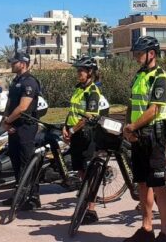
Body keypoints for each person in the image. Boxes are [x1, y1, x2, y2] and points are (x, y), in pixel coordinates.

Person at [122, 36, 166, 242]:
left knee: (158, 185)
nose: (136, 57)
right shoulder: (139, 76)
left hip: (154, 137)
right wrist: (128, 128)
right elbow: (132, 105)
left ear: (151, 54)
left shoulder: (160, 78)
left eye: (139, 54)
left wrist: (133, 126)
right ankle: (146, 228)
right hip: (138, 137)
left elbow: (153, 110)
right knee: (143, 183)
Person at [62, 56, 107, 225]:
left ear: (90, 72)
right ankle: (83, 200)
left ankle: (92, 210)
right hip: (75, 135)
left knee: (90, 174)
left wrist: (73, 130)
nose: (78, 73)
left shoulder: (93, 92)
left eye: (81, 70)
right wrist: (65, 127)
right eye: (77, 70)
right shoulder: (78, 89)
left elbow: (89, 117)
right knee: (80, 171)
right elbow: (73, 111)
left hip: (87, 136)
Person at [0, 52, 42, 209]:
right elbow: (10, 104)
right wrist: (6, 122)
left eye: (14, 62)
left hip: (26, 127)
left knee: (27, 162)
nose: (12, 64)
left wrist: (9, 120)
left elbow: (23, 107)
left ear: (23, 64)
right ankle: (18, 194)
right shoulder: (16, 81)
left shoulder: (30, 82)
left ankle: (33, 198)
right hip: (13, 127)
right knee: (16, 162)